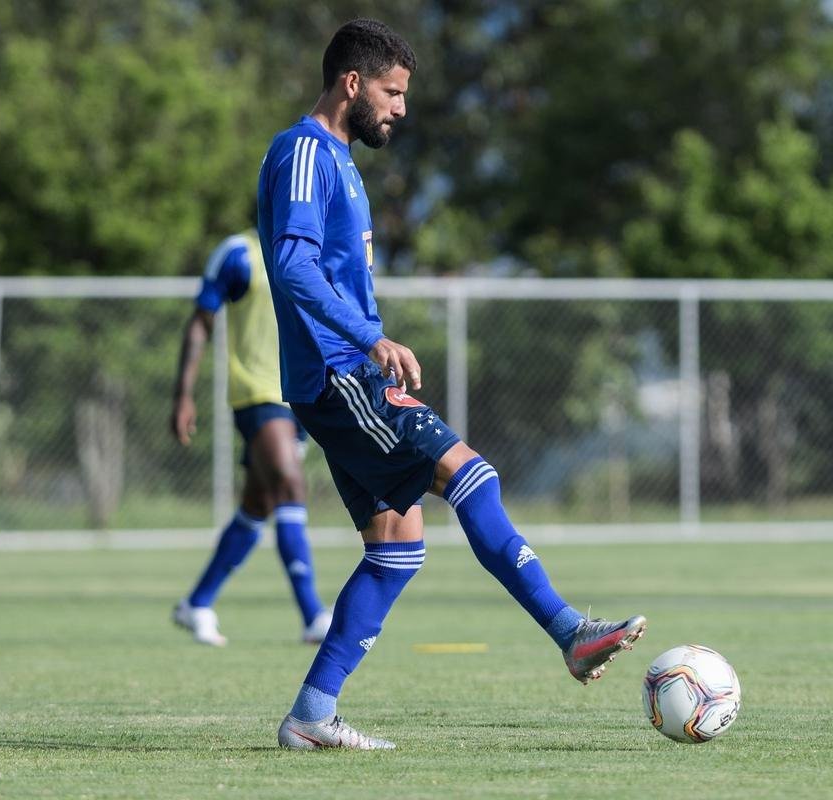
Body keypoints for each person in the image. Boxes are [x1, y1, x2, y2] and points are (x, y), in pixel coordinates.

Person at [257, 19, 647, 750]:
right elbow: (293, 265)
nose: (400, 108)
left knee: (396, 548)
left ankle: (311, 714)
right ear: (352, 83)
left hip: (337, 376)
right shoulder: (305, 151)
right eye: (392, 92)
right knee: (472, 475)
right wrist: (371, 338)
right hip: (340, 375)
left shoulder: (336, 158)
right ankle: (568, 630)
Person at [170, 229, 332, 646]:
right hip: (257, 392)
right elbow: (201, 321)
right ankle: (314, 615)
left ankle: (197, 603)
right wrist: (183, 394)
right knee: (290, 484)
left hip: (304, 396)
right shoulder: (239, 253)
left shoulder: (319, 247)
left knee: (257, 505)